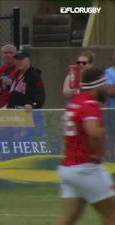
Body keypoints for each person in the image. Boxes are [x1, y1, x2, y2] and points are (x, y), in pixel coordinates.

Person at [54, 68, 115, 225]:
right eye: (106, 84)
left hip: (68, 169)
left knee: (68, 218)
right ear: (98, 85)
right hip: (86, 168)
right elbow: (93, 132)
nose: (108, 88)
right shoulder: (89, 104)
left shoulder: (75, 103)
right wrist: (100, 153)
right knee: (112, 215)